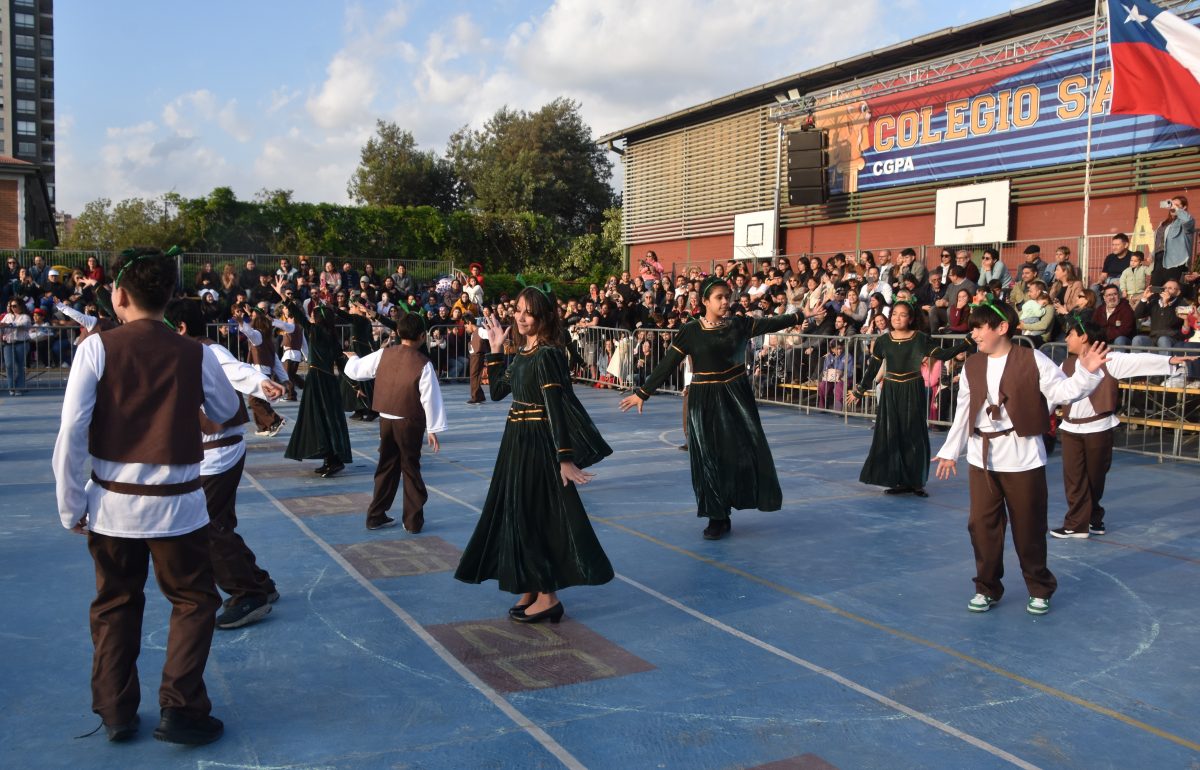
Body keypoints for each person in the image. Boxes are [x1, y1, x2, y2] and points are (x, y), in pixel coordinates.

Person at [52, 247, 240, 744]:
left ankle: (115, 710)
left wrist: (71, 504)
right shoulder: (194, 351)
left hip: (112, 505)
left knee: (115, 603)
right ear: (170, 297)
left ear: (118, 295)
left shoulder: (97, 347)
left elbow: (72, 429)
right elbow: (224, 407)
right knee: (193, 601)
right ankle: (180, 707)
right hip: (179, 505)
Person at [933, 297, 1109, 616]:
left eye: (979, 328)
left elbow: (1063, 393)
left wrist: (1088, 374)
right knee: (981, 526)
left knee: (1028, 528)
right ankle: (986, 587)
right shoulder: (972, 364)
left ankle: (1039, 587)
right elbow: (963, 412)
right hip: (981, 457)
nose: (973, 334)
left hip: (1022, 457)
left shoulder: (1033, 359)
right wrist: (950, 451)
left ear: (1002, 327)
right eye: (971, 328)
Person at [454, 286, 614, 624]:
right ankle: (529, 583)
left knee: (536, 515)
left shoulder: (548, 355)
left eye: (529, 312)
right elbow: (498, 391)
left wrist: (565, 457)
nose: (521, 316)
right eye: (519, 310)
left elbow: (556, 408)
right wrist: (495, 349)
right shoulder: (525, 354)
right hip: (516, 441)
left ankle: (548, 596)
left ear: (542, 317)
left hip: (539, 443)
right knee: (516, 512)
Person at [619, 276, 800, 539]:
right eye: (719, 297)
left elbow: (770, 323)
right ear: (705, 301)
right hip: (704, 398)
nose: (726, 301)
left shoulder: (739, 324)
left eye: (728, 296)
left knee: (742, 454)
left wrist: (798, 317)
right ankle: (717, 516)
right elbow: (668, 363)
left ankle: (738, 499)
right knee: (708, 457)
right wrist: (643, 393)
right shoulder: (691, 331)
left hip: (736, 397)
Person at [165, 298, 284, 629]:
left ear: (183, 328)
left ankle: (249, 595)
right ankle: (260, 583)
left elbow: (235, 369)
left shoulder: (206, 351)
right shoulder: (183, 352)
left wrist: (261, 382)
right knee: (218, 524)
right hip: (214, 449)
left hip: (219, 450)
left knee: (207, 528)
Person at [1049, 319, 1196, 538]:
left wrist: (1169, 361)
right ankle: (1076, 524)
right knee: (1074, 479)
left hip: (1099, 427)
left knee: (1095, 478)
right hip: (1071, 429)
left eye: (1070, 334)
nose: (1067, 339)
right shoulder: (1066, 365)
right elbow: (1055, 393)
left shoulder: (1110, 360)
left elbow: (1138, 361)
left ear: (1084, 337)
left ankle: (1093, 517)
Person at [845, 301, 969, 496]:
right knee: (893, 435)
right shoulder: (884, 341)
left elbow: (944, 354)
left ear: (910, 318)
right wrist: (860, 390)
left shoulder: (920, 338)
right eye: (894, 314)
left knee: (914, 435)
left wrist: (966, 343)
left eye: (902, 315)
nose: (897, 318)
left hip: (913, 389)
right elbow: (872, 369)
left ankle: (916, 482)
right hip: (891, 390)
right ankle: (898, 480)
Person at [344, 312, 447, 532]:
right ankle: (412, 521)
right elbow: (430, 397)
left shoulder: (384, 354)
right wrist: (433, 428)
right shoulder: (423, 363)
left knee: (386, 467)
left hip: (386, 419)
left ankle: (375, 515)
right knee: (410, 468)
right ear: (422, 336)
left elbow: (356, 371)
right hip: (409, 421)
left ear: (398, 333)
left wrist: (352, 357)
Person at [273, 278, 352, 477]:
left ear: (318, 319)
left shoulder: (315, 331)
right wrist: (354, 383)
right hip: (329, 382)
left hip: (317, 380)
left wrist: (282, 295)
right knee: (327, 419)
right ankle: (329, 458)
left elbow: (298, 315)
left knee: (319, 418)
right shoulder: (333, 338)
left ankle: (333, 460)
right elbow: (342, 364)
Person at [1151, 195, 1194, 288]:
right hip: (1159, 263)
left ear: (1184, 207)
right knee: (1155, 291)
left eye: (1176, 205)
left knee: (1174, 292)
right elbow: (1160, 241)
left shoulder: (1185, 222)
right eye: (1171, 204)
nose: (1172, 207)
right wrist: (1151, 255)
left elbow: (1187, 221)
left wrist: (1177, 210)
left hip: (1176, 263)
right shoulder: (1163, 223)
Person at [2, 299, 32, 395]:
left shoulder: (25, 316)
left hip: (21, 343)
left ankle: (19, 387)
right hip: (8, 343)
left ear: (20, 306)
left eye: (15, 306)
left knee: (20, 366)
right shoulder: (7, 316)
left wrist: (9, 324)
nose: (12, 308)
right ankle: (11, 387)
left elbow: (24, 324)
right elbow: (2, 325)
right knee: (9, 365)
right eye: (11, 306)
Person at [465, 315, 488, 404]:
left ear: (470, 323)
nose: (466, 329)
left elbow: (489, 335)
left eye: (466, 326)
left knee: (474, 376)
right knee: (474, 376)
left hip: (478, 356)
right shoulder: (474, 333)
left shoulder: (480, 331)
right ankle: (480, 396)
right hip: (474, 356)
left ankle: (475, 397)